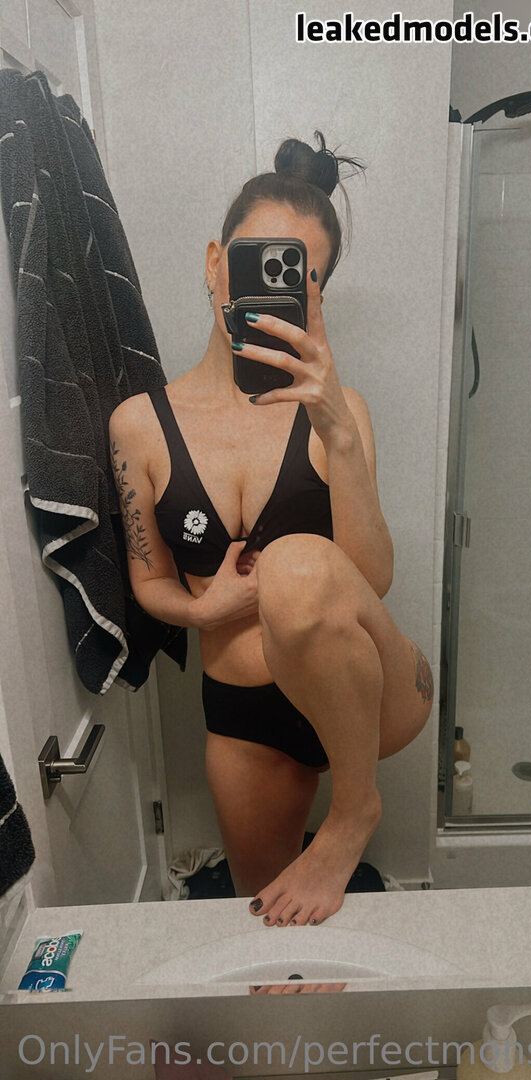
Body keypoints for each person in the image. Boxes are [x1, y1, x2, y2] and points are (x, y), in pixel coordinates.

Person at [109, 131, 434, 928]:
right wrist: (204, 610)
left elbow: (371, 577)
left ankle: (355, 808)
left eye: (299, 275)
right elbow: (150, 581)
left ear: (317, 296)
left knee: (294, 566)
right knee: (267, 926)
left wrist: (337, 429)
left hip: (368, 696)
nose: (270, 288)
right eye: (255, 262)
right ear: (214, 263)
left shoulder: (341, 413)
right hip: (245, 715)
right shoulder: (139, 426)